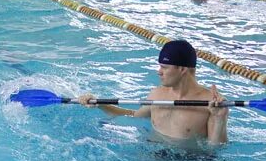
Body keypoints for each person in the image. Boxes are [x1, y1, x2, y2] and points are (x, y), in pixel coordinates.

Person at [78, 40, 228, 144]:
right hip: (153, 156)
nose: (159, 72)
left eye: (165, 67)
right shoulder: (157, 95)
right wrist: (99, 104)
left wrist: (219, 118)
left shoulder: (210, 103)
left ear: (182, 69)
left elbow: (214, 148)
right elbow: (132, 115)